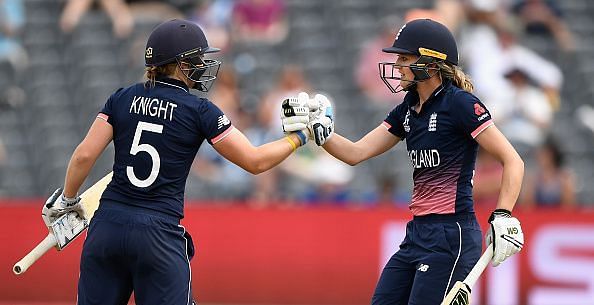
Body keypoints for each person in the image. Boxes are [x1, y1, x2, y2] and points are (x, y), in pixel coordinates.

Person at [40, 19, 310, 305]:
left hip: (107, 226)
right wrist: (299, 138)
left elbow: (84, 155)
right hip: (158, 234)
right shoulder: (199, 110)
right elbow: (255, 162)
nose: (203, 65)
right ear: (180, 63)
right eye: (197, 59)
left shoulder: (122, 97)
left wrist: (68, 200)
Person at [283, 19, 526, 304]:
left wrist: (503, 215)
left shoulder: (459, 104)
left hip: (452, 235)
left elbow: (513, 160)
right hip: (417, 235)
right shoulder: (407, 109)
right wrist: (317, 130)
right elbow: (355, 153)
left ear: (430, 63)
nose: (397, 65)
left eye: (404, 58)